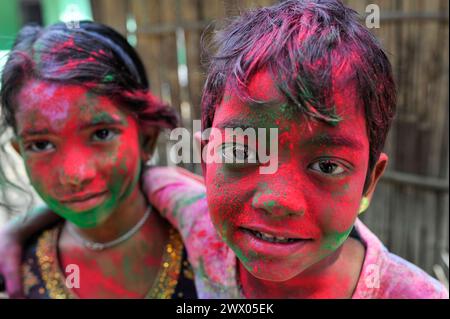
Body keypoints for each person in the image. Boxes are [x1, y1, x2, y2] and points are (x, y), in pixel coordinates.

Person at [1, 0, 448, 299]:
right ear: (206, 156)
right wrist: (17, 232)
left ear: (370, 179)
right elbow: (143, 180)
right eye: (240, 152)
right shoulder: (200, 224)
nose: (276, 200)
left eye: (328, 164)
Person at [0, 21, 196, 298]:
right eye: (41, 144)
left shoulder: (210, 248)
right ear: (20, 151)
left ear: (146, 139)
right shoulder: (19, 272)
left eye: (101, 134)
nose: (75, 174)